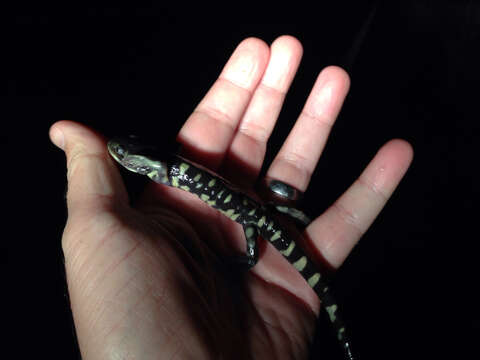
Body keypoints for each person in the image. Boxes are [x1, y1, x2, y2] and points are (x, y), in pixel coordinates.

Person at [49, 36, 413, 359]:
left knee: (270, 240)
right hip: (255, 211)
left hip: (255, 214)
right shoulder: (166, 165)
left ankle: (336, 327)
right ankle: (337, 328)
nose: (121, 157)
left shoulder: (164, 167)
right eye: (127, 157)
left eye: (128, 157)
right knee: (265, 227)